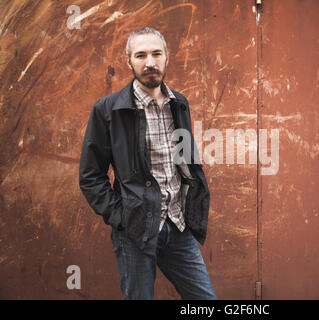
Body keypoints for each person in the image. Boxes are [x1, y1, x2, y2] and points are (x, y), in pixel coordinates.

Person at [79, 27, 216, 300]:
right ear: (128, 61)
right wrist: (122, 217)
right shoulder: (108, 110)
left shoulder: (179, 103)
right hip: (135, 231)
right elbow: (91, 176)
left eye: (156, 54)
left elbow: (185, 162)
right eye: (140, 55)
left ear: (167, 58)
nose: (150, 62)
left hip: (178, 226)